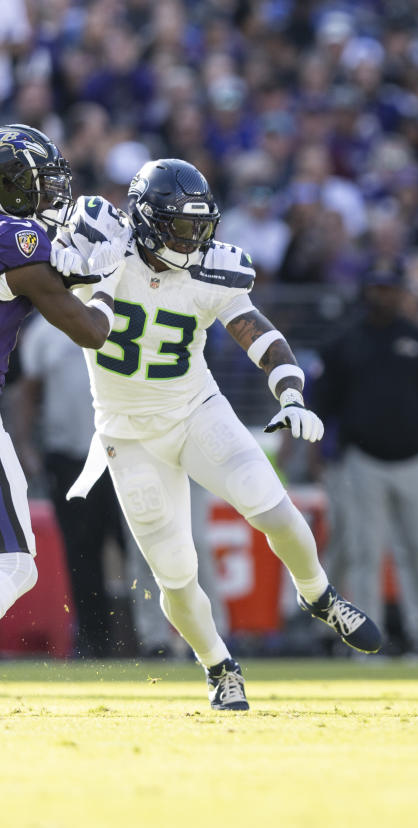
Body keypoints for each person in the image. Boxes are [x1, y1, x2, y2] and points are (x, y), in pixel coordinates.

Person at [49, 158, 382, 710]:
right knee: (176, 574)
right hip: (127, 434)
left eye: (200, 227)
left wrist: (291, 393)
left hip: (196, 409)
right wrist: (79, 258)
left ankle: (319, 596)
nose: (193, 239)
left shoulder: (211, 270)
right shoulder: (101, 249)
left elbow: (259, 334)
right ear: (148, 220)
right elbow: (45, 259)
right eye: (181, 226)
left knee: (273, 505)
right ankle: (219, 666)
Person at [314, 263, 418, 658]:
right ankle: (365, 635)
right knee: (365, 551)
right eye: (378, 288)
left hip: (416, 458)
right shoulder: (344, 343)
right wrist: (316, 454)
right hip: (363, 460)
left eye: (391, 289)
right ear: (367, 292)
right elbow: (323, 407)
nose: (385, 296)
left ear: (402, 293)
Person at [0, 124, 116, 623]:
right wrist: (107, 279)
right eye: (40, 182)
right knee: (15, 566)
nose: (51, 194)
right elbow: (92, 331)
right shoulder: (16, 238)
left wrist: (67, 264)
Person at [13, 312, 129, 657]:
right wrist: (24, 446)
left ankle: (151, 638)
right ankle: (97, 641)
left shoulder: (117, 317)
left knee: (136, 547)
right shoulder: (44, 331)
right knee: (81, 552)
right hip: (67, 457)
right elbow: (27, 393)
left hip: (120, 452)